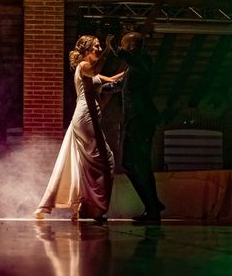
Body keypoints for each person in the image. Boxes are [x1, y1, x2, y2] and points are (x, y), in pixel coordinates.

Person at [33, 35, 124, 222]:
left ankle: (84, 206)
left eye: (100, 47)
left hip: (88, 118)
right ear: (86, 51)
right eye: (96, 47)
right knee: (106, 160)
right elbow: (95, 70)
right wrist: (108, 50)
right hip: (86, 118)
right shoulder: (84, 67)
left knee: (89, 165)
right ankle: (96, 209)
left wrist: (130, 68)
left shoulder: (92, 71)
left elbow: (112, 80)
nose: (98, 50)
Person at [104, 31, 165, 223]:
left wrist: (117, 52)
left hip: (141, 119)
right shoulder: (134, 67)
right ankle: (153, 205)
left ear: (130, 47)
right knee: (133, 164)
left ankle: (153, 208)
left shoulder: (143, 61)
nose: (121, 47)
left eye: (124, 45)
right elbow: (121, 83)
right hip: (134, 120)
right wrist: (96, 86)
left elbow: (137, 65)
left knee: (137, 164)